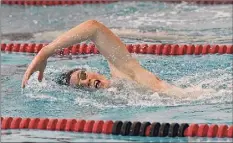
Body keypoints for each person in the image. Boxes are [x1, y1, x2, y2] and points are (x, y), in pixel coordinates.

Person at [22, 20, 184, 97]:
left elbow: (94, 28)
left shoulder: (124, 72)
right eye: (81, 86)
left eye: (82, 76)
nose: (85, 82)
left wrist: (45, 52)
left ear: (92, 71)